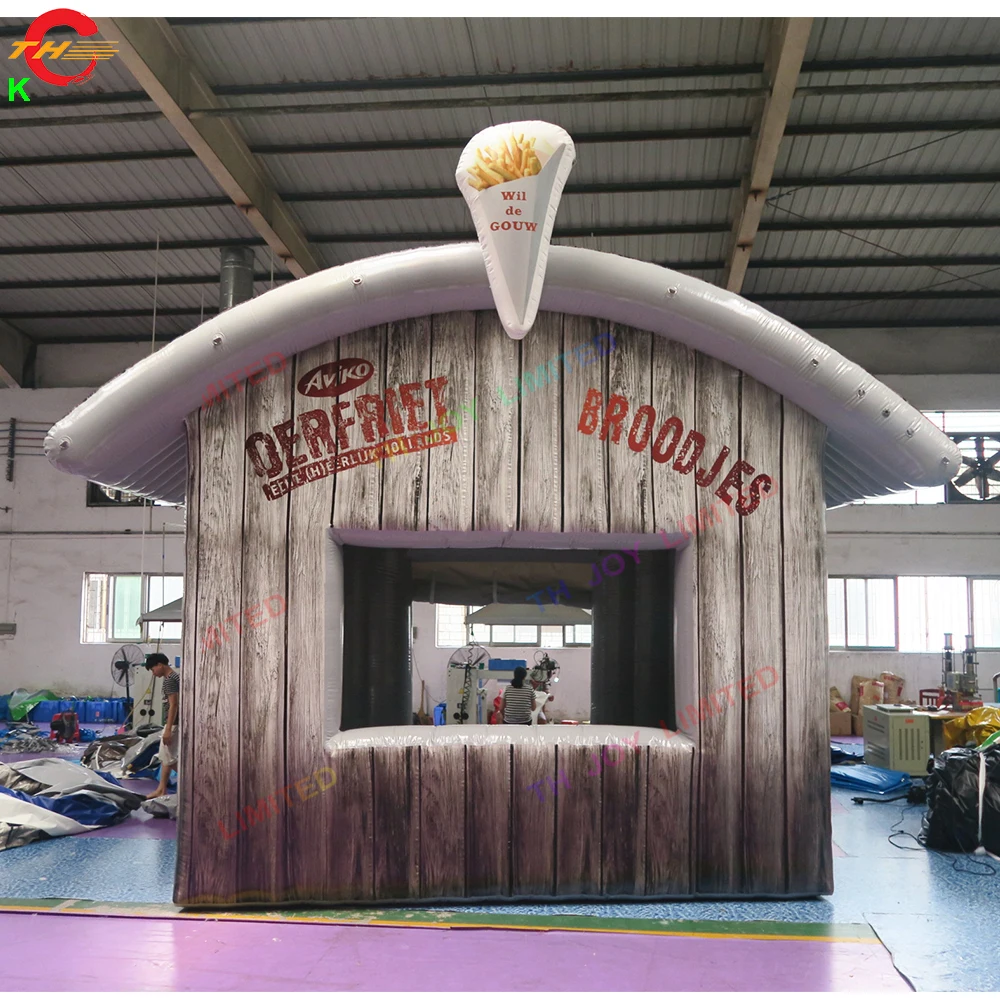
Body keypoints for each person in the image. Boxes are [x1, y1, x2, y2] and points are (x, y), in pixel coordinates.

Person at [144, 653, 179, 799]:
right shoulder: (173, 677)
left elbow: (174, 705)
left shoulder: (170, 680)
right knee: (166, 756)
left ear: (160, 665)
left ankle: (193, 780)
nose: (153, 673)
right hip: (173, 723)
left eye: (153, 669)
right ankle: (161, 789)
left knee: (169, 758)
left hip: (174, 723)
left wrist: (168, 729)